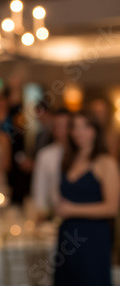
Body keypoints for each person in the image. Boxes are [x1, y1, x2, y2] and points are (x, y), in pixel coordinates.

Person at [54, 112, 119, 286]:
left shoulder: (106, 162)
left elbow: (113, 207)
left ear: (96, 131)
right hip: (66, 236)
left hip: (93, 238)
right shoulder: (69, 159)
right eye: (74, 126)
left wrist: (72, 209)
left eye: (85, 126)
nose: (78, 131)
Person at [31, 108, 70, 221]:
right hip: (54, 215)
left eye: (67, 126)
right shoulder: (46, 155)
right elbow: (39, 189)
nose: (63, 131)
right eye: (59, 126)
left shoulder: (82, 155)